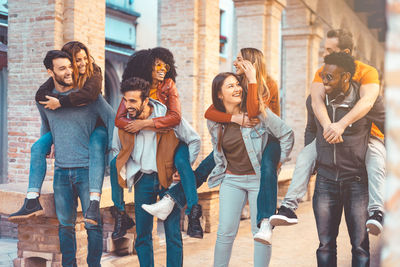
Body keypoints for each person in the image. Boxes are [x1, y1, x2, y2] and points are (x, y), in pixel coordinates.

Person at [143, 47, 283, 244]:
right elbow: (210, 113)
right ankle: (170, 200)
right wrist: (234, 117)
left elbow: (253, 113)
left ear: (251, 62)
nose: (235, 63)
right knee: (204, 168)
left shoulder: (267, 84)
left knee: (216, 167)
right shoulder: (238, 83)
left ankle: (265, 221)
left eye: (239, 59)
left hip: (262, 145)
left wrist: (252, 82)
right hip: (237, 143)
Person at [270, 29, 386, 235]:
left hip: (368, 134)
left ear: (346, 52)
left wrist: (340, 124)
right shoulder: (323, 71)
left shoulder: (368, 72)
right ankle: (288, 207)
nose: (325, 54)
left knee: (376, 158)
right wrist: (328, 127)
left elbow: (367, 101)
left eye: (330, 49)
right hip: (332, 132)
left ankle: (377, 212)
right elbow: (316, 101)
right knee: (306, 154)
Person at [8, 41, 111, 226]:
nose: (81, 64)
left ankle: (94, 201)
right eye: (75, 61)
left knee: (96, 144)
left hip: (96, 126)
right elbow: (43, 97)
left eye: (83, 59)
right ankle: (32, 199)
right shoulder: (59, 76)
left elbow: (90, 96)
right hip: (66, 136)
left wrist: (61, 102)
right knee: (37, 147)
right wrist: (52, 140)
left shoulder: (93, 73)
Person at [110, 47, 205, 240]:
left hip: (169, 166)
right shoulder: (133, 99)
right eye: (157, 65)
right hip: (142, 178)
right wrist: (136, 125)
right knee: (143, 236)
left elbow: (176, 118)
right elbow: (119, 121)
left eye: (165, 65)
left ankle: (193, 212)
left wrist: (148, 123)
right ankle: (119, 213)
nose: (163, 69)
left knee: (173, 234)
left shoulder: (167, 88)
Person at [36, 50, 115, 266]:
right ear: (50, 72)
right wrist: (46, 144)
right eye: (62, 68)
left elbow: (111, 119)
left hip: (87, 171)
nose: (69, 71)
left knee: (92, 224)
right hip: (61, 172)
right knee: (65, 226)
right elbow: (45, 125)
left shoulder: (88, 95)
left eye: (70, 66)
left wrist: (108, 149)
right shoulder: (44, 99)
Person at [207, 72, 294, 267]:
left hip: (258, 180)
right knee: (225, 232)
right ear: (219, 95)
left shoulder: (256, 112)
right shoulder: (214, 121)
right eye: (230, 86)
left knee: (260, 233)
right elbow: (217, 151)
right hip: (231, 180)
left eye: (237, 84)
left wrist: (277, 164)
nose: (237, 88)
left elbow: (287, 134)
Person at [308, 52, 384, 266]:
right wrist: (311, 158)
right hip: (325, 182)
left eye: (330, 77)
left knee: (360, 246)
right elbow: (310, 129)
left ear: (346, 77)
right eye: (323, 75)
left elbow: (390, 125)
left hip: (357, 182)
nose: (323, 81)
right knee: (325, 245)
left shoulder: (367, 101)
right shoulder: (316, 99)